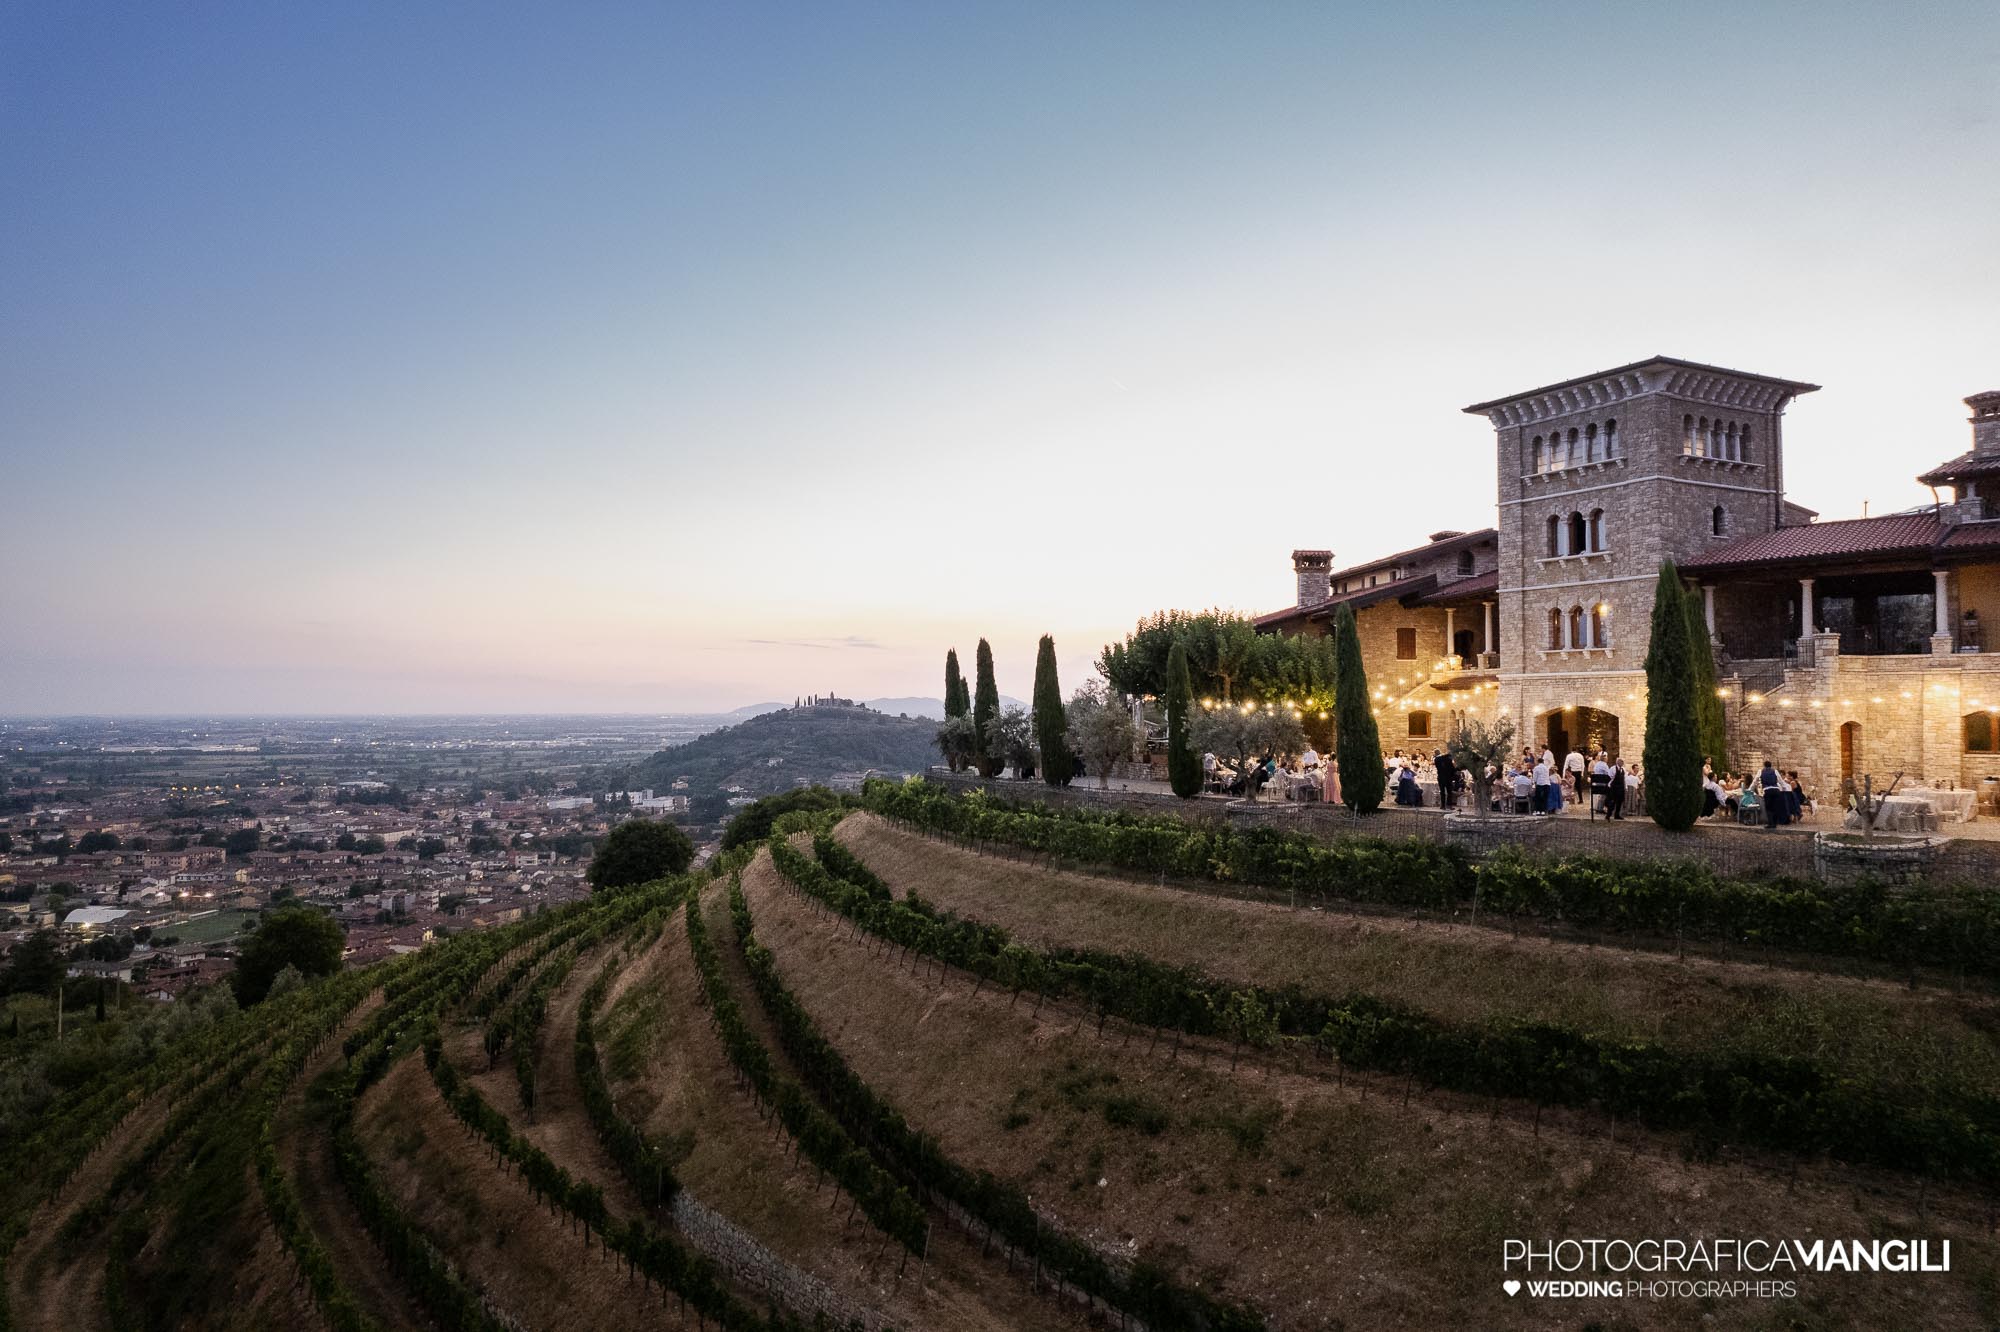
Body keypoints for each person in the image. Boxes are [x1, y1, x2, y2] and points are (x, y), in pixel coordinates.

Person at [1759, 760, 1783, 829]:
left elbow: (1755, 781)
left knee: (1768, 808)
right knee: (1775, 807)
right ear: (1771, 765)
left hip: (1767, 790)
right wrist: (1784, 788)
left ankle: (1770, 823)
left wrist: (1750, 789)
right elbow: (1780, 780)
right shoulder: (1775, 771)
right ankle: (1775, 823)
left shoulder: (1761, 771)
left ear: (1764, 765)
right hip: (1776, 790)